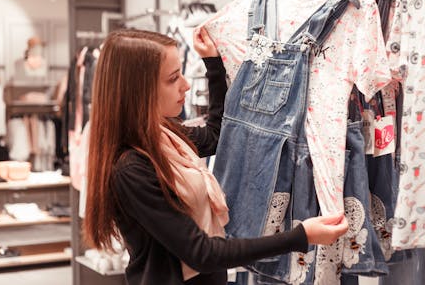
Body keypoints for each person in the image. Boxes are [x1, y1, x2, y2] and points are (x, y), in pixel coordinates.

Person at [84, 28, 348, 285]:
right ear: (138, 90)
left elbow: (216, 135)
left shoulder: (164, 134)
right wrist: (301, 236)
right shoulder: (131, 168)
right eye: (173, 78)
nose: (186, 85)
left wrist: (212, 63)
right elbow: (203, 254)